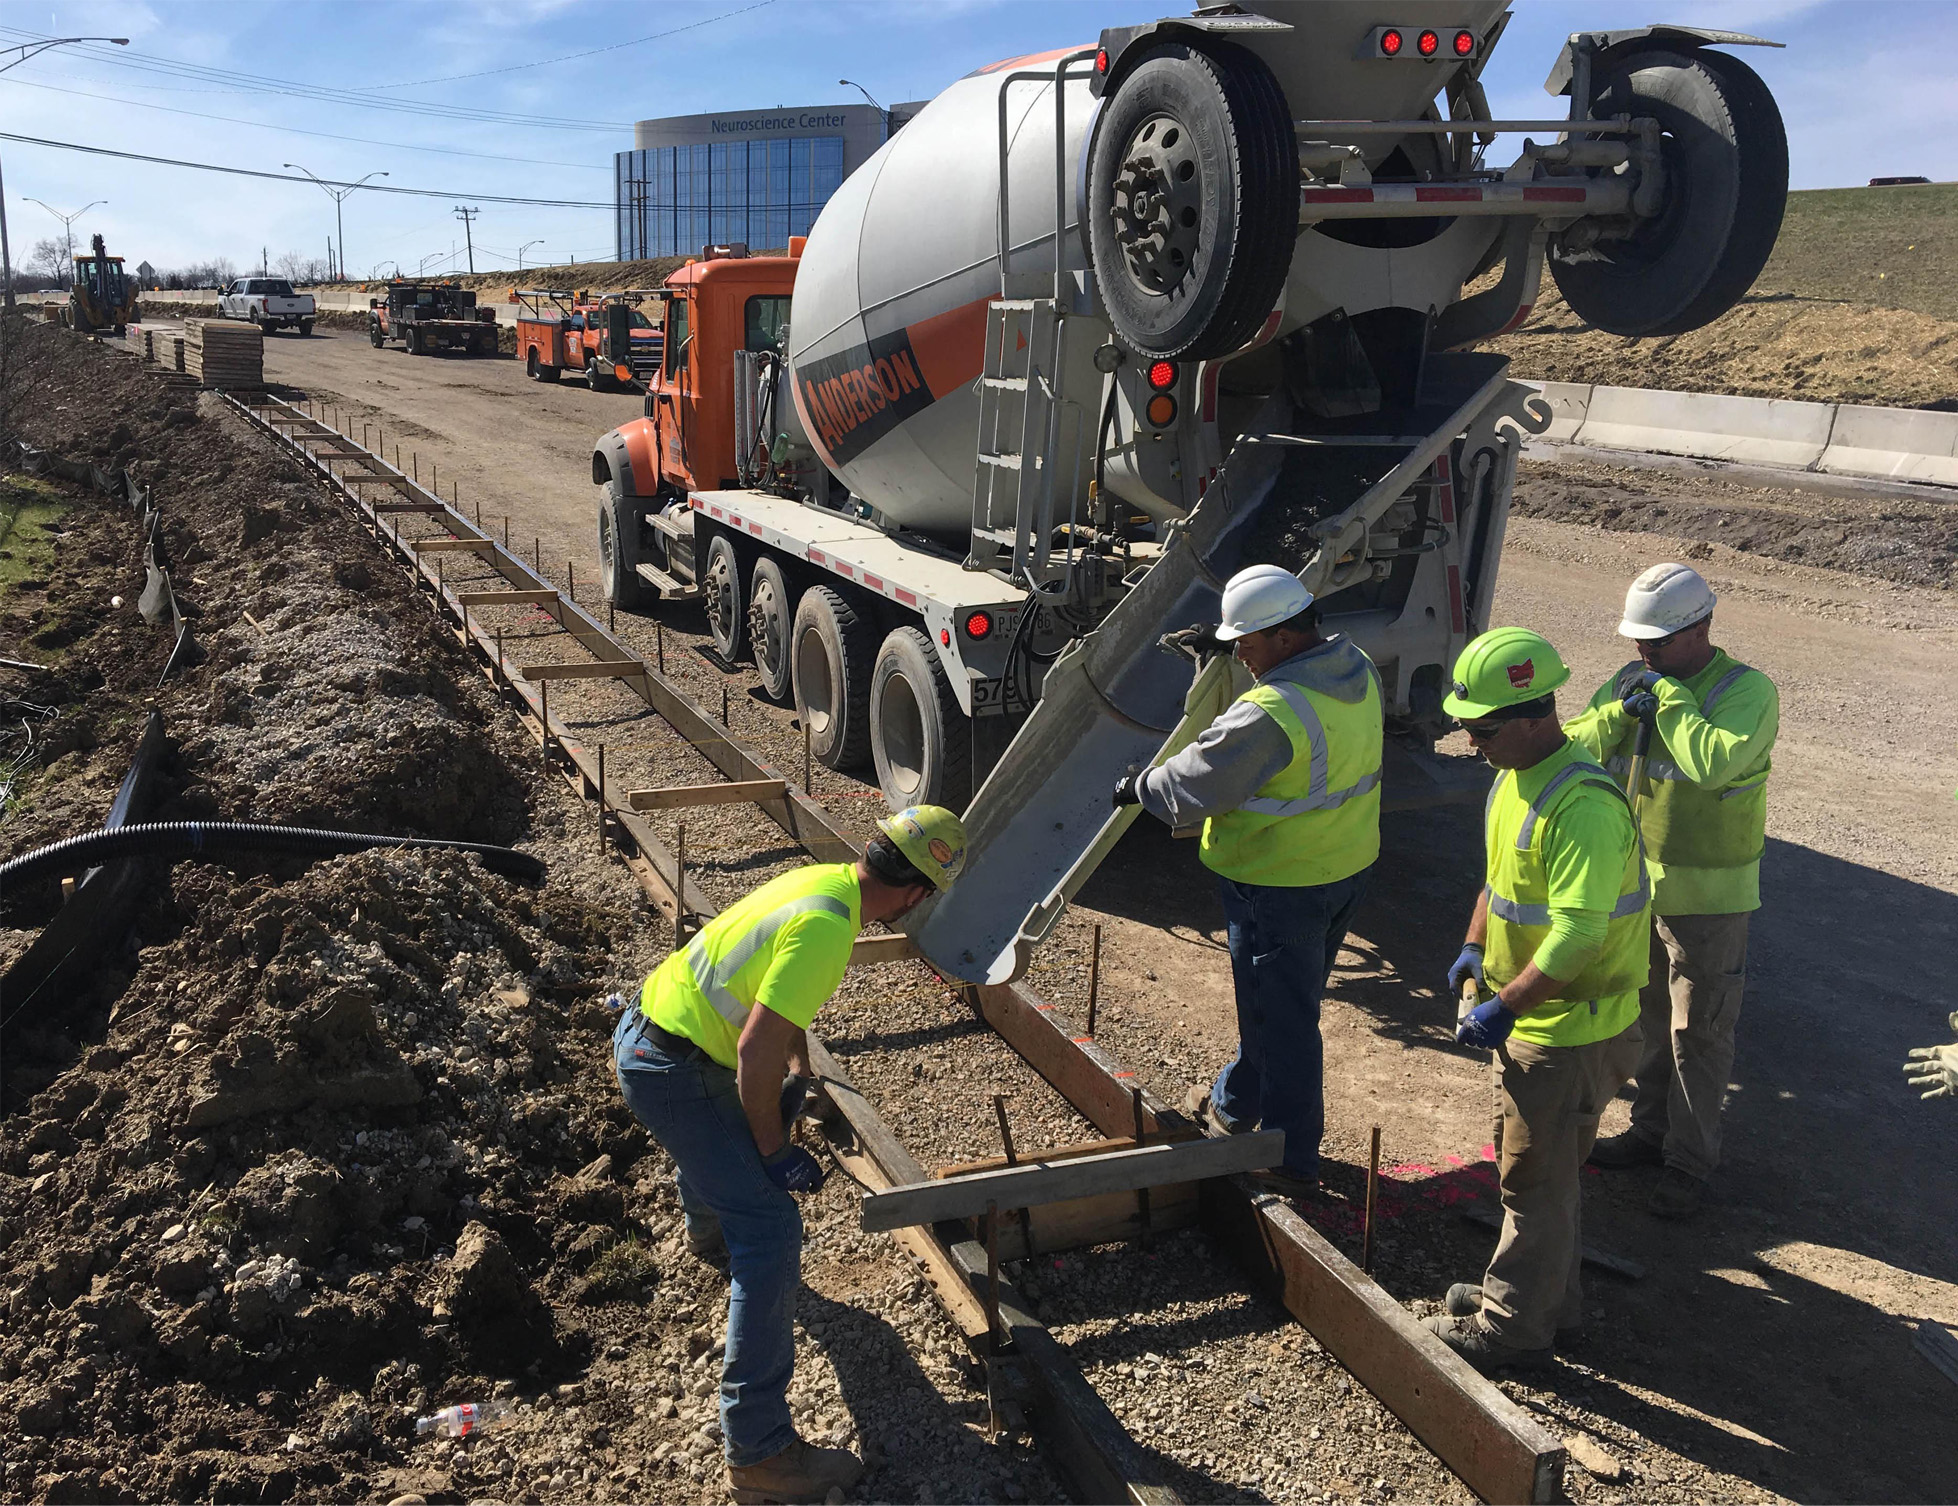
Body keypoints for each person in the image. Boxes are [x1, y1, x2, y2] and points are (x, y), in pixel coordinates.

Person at [611, 806, 967, 1504]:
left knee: (730, 1130)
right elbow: (752, 1050)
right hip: (675, 1070)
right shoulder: (829, 930)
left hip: (654, 1029)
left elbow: (775, 1011)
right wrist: (774, 1154)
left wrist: (800, 1072)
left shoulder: (826, 881)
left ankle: (710, 1231)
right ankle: (760, 1454)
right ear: (919, 893)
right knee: (772, 1229)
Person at [1116, 563, 1383, 1199]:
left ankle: (1289, 1157)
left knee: (1282, 1023)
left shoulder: (1274, 711)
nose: (1240, 655)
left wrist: (1140, 787)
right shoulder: (1354, 666)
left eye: (1246, 643)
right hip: (1342, 867)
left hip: (1278, 883)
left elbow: (1199, 781)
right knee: (1282, 1007)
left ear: (1285, 639)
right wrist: (1223, 642)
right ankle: (1235, 1104)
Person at [1423, 628, 1650, 1373]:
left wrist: (1506, 1006)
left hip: (1568, 1031)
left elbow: (1580, 936)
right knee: (1542, 1173)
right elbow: (1499, 880)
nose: (1470, 739)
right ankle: (1545, 1298)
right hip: (1542, 1022)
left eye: (1481, 728)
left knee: (1534, 1182)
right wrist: (1471, 946)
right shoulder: (1513, 772)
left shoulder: (1580, 805)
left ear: (1532, 715)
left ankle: (1512, 1328)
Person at [1566, 563, 1779, 1219]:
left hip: (1710, 901)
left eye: (1656, 642)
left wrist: (1671, 702)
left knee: (1701, 1034)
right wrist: (1612, 713)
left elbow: (1712, 763)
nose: (1643, 653)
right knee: (1652, 1022)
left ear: (1700, 627)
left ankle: (1689, 1164)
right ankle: (1650, 1134)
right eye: (1639, 641)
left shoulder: (1747, 692)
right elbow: (1571, 745)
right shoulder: (1636, 680)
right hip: (1640, 891)